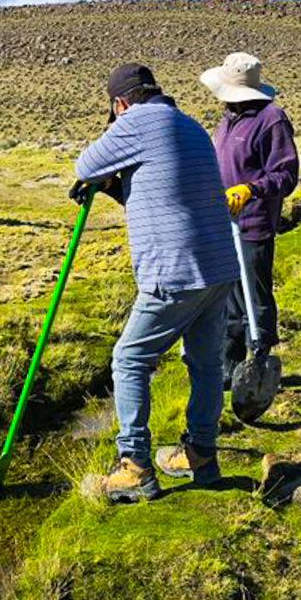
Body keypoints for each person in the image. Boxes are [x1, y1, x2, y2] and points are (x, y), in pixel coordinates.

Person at [71, 63, 239, 503]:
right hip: (218, 267)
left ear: (119, 103)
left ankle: (134, 467)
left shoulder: (138, 122)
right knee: (205, 363)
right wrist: (113, 186)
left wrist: (99, 175)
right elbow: (159, 192)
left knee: (129, 358)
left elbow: (85, 163)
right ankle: (201, 456)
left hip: (176, 270)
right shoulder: (190, 126)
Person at [199, 53, 299, 386]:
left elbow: (286, 175)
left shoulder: (272, 120)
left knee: (255, 298)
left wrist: (251, 189)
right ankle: (229, 368)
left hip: (253, 224)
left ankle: (259, 366)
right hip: (222, 221)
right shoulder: (228, 118)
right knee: (228, 298)